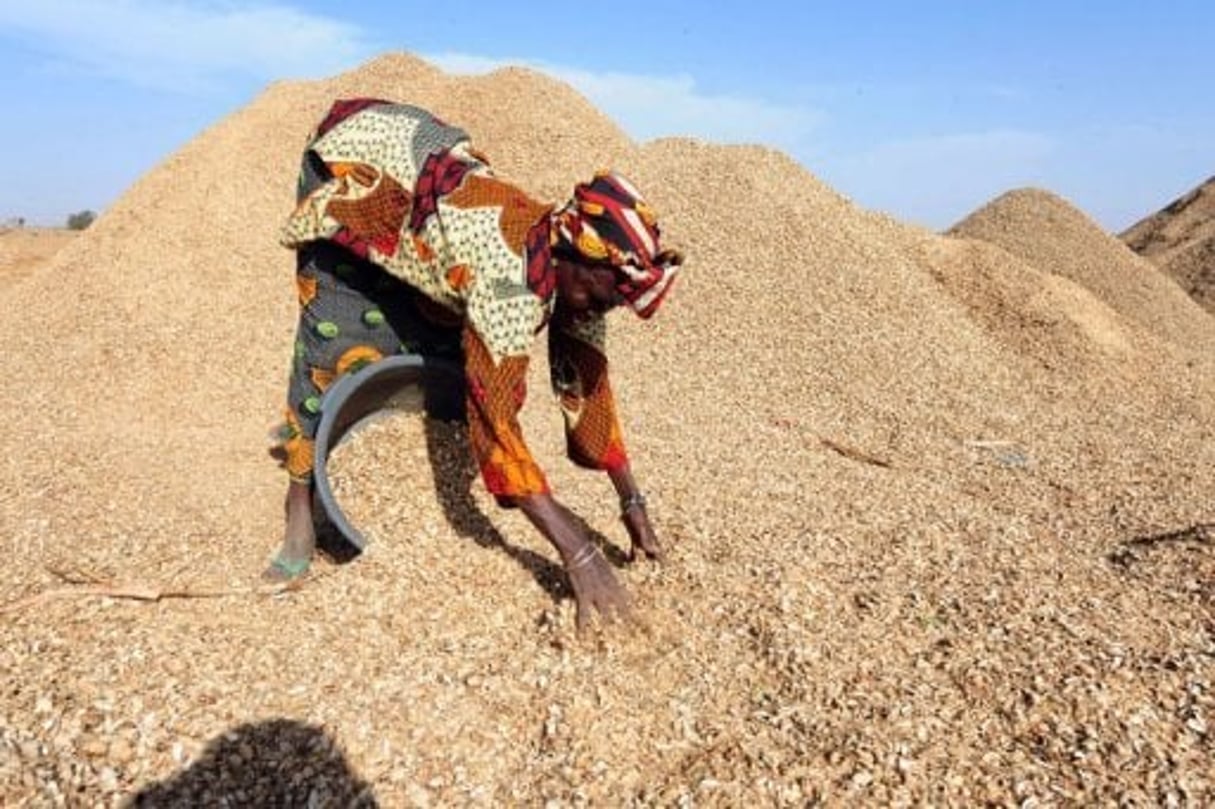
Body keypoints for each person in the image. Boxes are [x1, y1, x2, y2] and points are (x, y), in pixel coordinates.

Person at [265, 98, 684, 630]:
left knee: (442, 339)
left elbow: (587, 385)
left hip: (423, 174)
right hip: (353, 162)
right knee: (337, 333)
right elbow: (497, 424)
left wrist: (632, 501)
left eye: (623, 299)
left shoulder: (576, 274)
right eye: (609, 293)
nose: (611, 306)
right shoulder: (509, 282)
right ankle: (299, 499)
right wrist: (577, 550)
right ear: (578, 254)